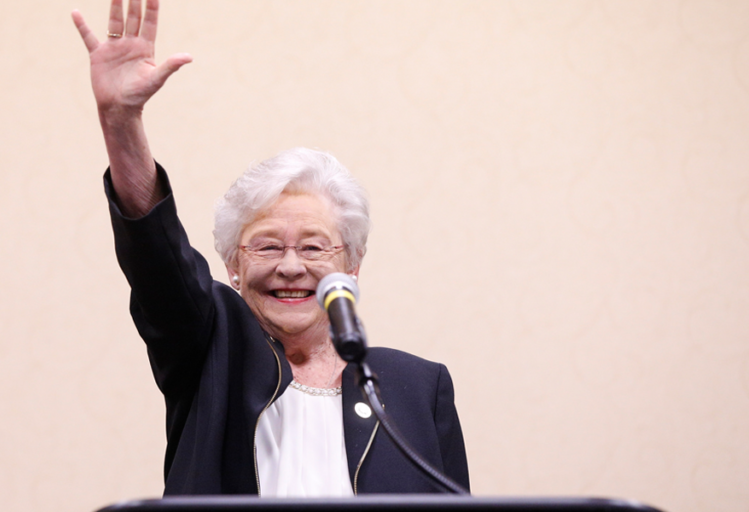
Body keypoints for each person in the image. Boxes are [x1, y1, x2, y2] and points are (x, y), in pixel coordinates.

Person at [72, 0, 469, 497]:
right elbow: (159, 261)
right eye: (265, 247)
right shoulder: (210, 353)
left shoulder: (417, 387)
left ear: (352, 266)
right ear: (233, 266)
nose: (290, 266)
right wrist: (121, 121)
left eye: (313, 247)